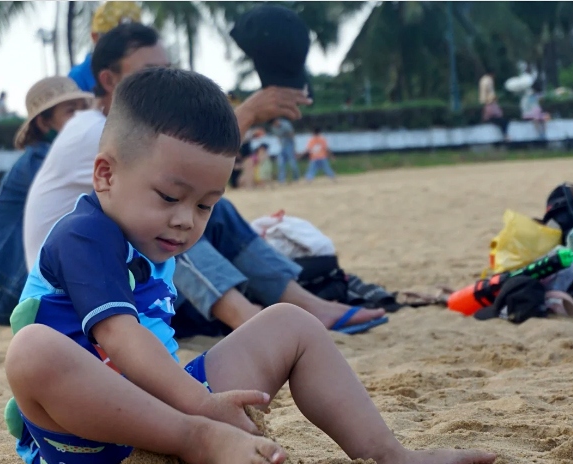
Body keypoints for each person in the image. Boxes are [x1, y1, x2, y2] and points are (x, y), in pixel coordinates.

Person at [4, 67, 497, 464]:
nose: (185, 221)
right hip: (86, 445)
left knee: (292, 325)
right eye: (169, 197)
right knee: (31, 352)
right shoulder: (83, 234)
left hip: (176, 411)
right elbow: (121, 337)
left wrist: (201, 403)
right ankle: (198, 442)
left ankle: (389, 458)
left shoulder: (155, 237)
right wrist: (200, 413)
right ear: (106, 174)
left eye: (204, 205)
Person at [24, 22, 385, 338]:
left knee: (206, 209)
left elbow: (188, 175)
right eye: (150, 70)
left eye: (166, 69)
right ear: (108, 79)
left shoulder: (124, 131)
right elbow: (188, 161)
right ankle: (248, 318)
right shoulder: (96, 130)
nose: (162, 79)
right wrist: (248, 112)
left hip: (130, 268)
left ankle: (302, 302)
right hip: (77, 282)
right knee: (171, 219)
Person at [0, 77, 93, 325]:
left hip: (1, 282)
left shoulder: (47, 157)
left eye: (84, 108)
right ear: (44, 122)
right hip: (2, 289)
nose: (82, 117)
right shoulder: (42, 162)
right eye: (71, 111)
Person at [68, 1, 142, 93]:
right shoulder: (78, 77)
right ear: (95, 37)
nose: (122, 46)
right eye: (114, 40)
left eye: (131, 41)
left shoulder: (143, 69)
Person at [269, 117, 299, 184]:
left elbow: (292, 134)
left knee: (292, 162)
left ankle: (296, 178)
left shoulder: (286, 124)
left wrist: (294, 147)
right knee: (281, 163)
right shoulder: (274, 128)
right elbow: (278, 137)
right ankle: (281, 179)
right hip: (283, 145)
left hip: (289, 144)